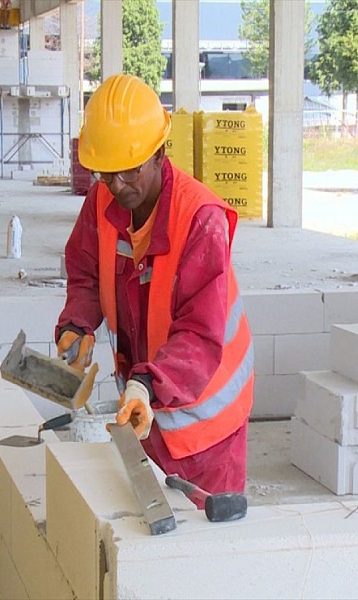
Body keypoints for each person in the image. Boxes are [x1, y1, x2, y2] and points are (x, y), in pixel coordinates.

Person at [55, 73, 254, 502]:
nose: (117, 185)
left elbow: (199, 334)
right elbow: (86, 273)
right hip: (146, 409)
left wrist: (146, 383)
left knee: (204, 540)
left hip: (206, 429)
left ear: (159, 153)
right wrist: (77, 324)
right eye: (107, 173)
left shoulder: (200, 219)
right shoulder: (102, 202)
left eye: (130, 171)